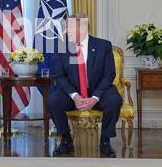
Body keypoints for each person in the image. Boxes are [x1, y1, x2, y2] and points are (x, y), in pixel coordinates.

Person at [48, 13, 122, 157]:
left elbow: (109, 75)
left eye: (69, 27)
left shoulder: (103, 45)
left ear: (81, 29)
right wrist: (75, 96)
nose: (66, 31)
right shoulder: (64, 47)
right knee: (53, 100)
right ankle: (66, 140)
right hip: (74, 93)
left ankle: (105, 141)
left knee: (114, 100)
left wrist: (94, 98)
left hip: (98, 90)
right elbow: (59, 75)